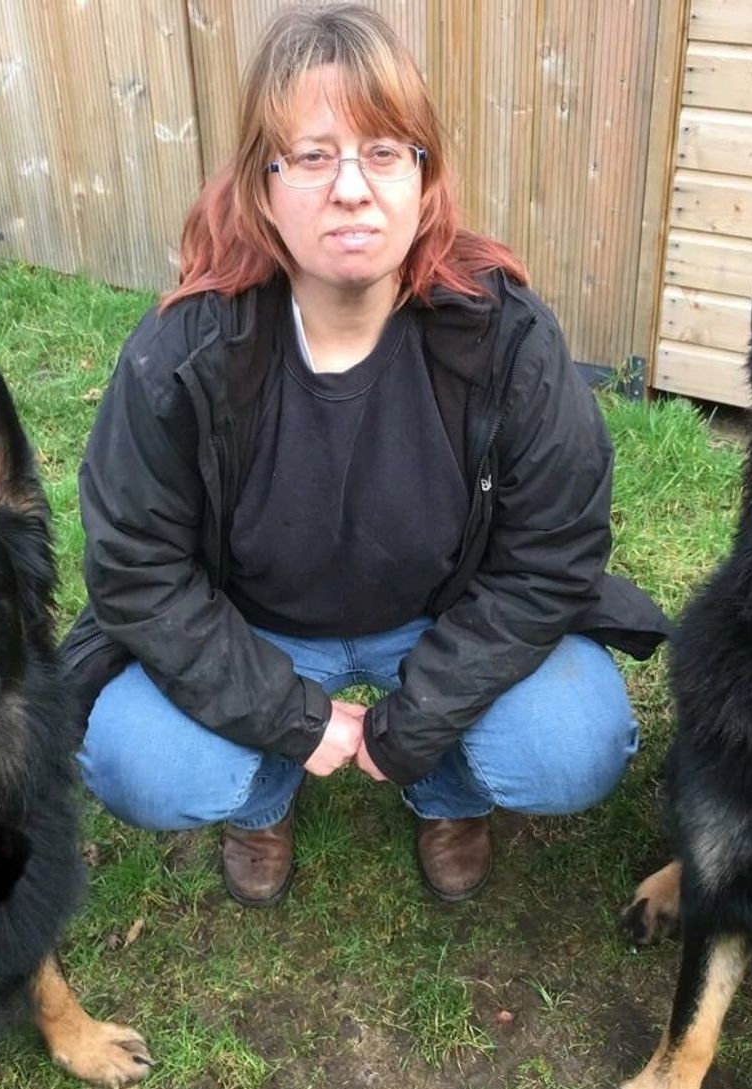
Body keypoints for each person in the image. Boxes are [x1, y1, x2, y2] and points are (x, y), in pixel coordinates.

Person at [61, 3, 669, 908]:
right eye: (312, 156)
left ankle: (450, 793)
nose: (352, 186)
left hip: (438, 618)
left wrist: (417, 723)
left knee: (572, 742)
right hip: (253, 625)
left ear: (424, 179)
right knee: (140, 762)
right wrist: (289, 717)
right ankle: (262, 797)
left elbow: (553, 554)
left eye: (385, 152)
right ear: (262, 185)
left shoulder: (505, 335)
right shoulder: (182, 351)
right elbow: (136, 569)